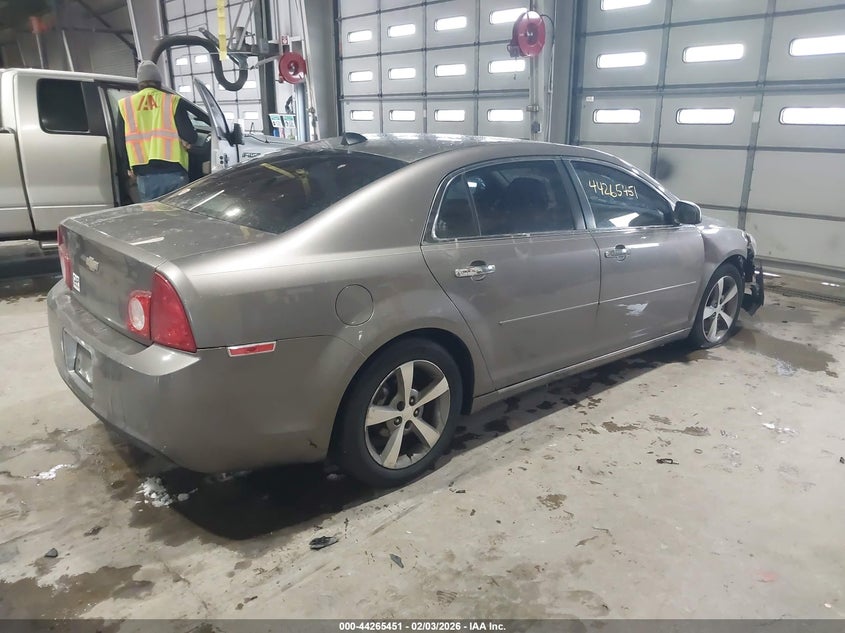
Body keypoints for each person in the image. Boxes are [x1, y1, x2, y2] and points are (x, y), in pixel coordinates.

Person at [116, 60, 197, 201]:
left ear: (139, 82)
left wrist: (127, 167)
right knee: (178, 217)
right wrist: (187, 142)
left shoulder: (125, 105)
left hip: (145, 174)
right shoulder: (172, 101)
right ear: (159, 81)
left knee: (153, 218)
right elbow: (190, 136)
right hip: (174, 171)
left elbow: (120, 142)